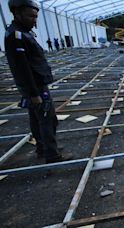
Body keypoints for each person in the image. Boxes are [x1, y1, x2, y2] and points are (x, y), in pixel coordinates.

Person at [5, 0, 72, 163]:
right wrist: (34, 93)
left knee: (37, 119)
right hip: (35, 86)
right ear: (16, 13)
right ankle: (52, 154)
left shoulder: (22, 33)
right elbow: (22, 68)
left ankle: (43, 148)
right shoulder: (16, 36)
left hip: (35, 85)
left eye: (35, 17)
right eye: (30, 16)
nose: (34, 20)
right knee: (47, 119)